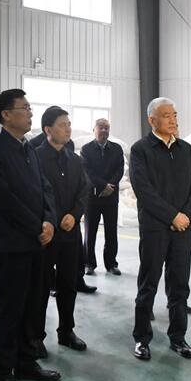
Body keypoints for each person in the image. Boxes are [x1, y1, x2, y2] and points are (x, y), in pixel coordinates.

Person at [0, 89, 60, 381]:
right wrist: (36, 226)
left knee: (31, 306)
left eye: (29, 107)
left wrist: (49, 220)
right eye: (24, 108)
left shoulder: (28, 148)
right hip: (11, 244)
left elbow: (45, 188)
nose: (30, 113)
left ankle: (25, 362)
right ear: (6, 115)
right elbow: (2, 200)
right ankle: (1, 373)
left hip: (36, 241)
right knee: (9, 310)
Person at [129, 97, 191, 361]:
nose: (173, 120)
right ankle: (142, 338)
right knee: (148, 283)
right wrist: (172, 216)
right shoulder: (141, 150)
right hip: (155, 228)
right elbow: (143, 190)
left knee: (179, 285)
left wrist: (185, 216)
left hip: (182, 229)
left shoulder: (185, 149)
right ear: (152, 120)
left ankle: (178, 337)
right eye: (167, 115)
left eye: (175, 114)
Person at [32, 106, 89, 358]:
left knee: (68, 284)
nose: (68, 129)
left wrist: (74, 215)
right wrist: (53, 220)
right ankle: (36, 337)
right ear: (48, 129)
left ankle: (67, 331)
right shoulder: (34, 158)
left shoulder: (75, 159)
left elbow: (84, 191)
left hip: (70, 233)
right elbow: (35, 195)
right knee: (41, 286)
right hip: (46, 234)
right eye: (63, 124)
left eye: (69, 124)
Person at [81, 118, 124, 276]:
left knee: (111, 232)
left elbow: (120, 169)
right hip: (92, 198)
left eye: (107, 128)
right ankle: (89, 264)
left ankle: (111, 264)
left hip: (111, 197)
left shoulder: (116, 149)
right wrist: (103, 185)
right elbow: (87, 172)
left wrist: (110, 185)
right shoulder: (86, 149)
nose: (104, 131)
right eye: (101, 128)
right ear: (94, 130)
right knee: (90, 232)